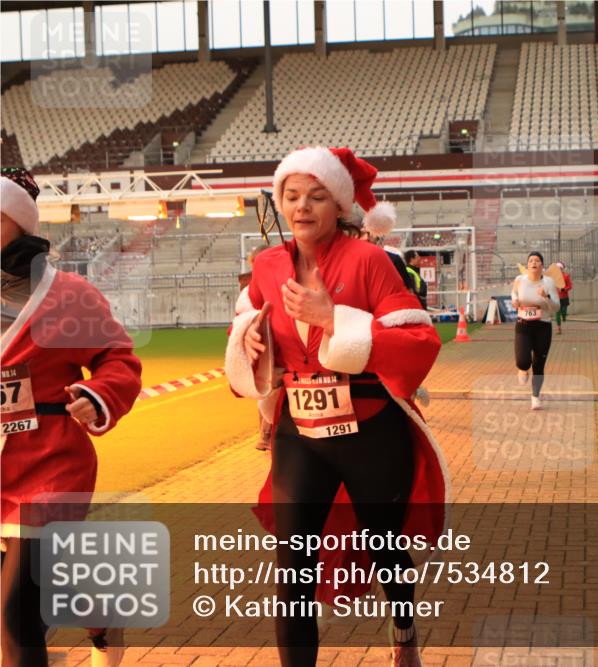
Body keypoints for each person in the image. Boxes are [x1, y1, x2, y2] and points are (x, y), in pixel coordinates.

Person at [224, 147, 447, 667]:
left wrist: (335, 319)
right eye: (292, 195)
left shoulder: (370, 261)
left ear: (340, 205)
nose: (302, 206)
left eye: (317, 196)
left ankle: (404, 632)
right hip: (300, 433)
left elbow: (417, 340)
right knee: (292, 567)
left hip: (371, 429)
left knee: (386, 549)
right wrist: (250, 346)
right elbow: (246, 332)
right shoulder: (265, 265)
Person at [0, 167, 143, 667]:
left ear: (22, 228)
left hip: (51, 464)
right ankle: (100, 607)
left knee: (15, 615)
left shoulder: (69, 295)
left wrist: (98, 393)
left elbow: (119, 359)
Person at [510, 251, 560, 410]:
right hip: (523, 324)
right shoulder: (520, 280)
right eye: (530, 260)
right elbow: (513, 292)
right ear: (527, 265)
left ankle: (535, 396)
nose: (533, 263)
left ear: (542, 266)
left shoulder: (549, 282)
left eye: (537, 261)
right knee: (523, 361)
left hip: (543, 325)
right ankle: (523, 369)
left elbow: (556, 307)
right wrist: (514, 300)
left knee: (539, 364)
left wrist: (546, 297)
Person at [236, 244, 272, 451]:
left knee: (269, 391)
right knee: (264, 390)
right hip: (261, 346)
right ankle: (265, 434)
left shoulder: (282, 279)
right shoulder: (248, 289)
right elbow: (241, 318)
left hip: (278, 347)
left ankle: (266, 435)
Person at [553, 261, 572, 335]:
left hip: (564, 297)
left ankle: (564, 316)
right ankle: (559, 328)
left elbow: (570, 286)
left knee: (563, 311)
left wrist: (564, 289)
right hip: (556, 298)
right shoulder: (554, 277)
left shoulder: (566, 276)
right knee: (557, 313)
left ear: (562, 269)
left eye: (559, 268)